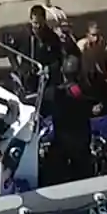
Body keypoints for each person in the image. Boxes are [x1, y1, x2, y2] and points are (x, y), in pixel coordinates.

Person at [39, 55, 94, 187]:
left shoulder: (52, 93)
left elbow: (42, 109)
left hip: (62, 139)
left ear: (62, 72)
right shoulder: (83, 91)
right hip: (80, 138)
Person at [24, 4, 77, 85]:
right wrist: (17, 68)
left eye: (40, 23)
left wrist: (48, 69)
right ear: (30, 21)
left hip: (46, 78)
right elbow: (7, 46)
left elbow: (58, 59)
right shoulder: (24, 35)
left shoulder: (52, 37)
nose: (38, 26)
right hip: (28, 78)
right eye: (35, 23)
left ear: (44, 20)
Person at [75, 19, 107, 105]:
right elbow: (81, 67)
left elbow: (100, 60)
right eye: (93, 35)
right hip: (84, 77)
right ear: (87, 35)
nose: (96, 38)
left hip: (95, 74)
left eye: (98, 35)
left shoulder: (101, 43)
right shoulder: (82, 46)